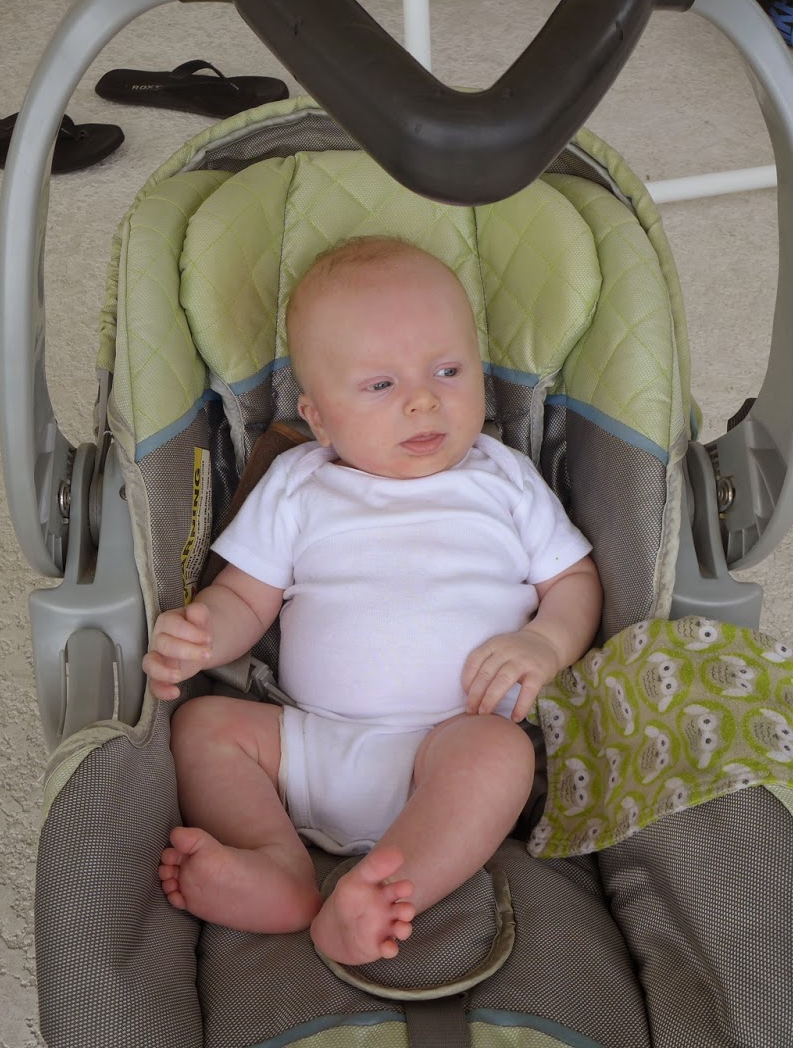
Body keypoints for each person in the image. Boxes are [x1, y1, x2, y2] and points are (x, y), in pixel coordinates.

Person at [144, 236, 603, 966]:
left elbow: (573, 581)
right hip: (308, 743)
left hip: (449, 743)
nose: (424, 399)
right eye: (381, 385)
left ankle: (384, 889)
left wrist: (544, 642)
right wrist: (204, 634)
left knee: (503, 755)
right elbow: (246, 600)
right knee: (202, 728)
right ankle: (277, 864)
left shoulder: (503, 477)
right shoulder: (298, 483)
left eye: (449, 371)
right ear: (320, 417)